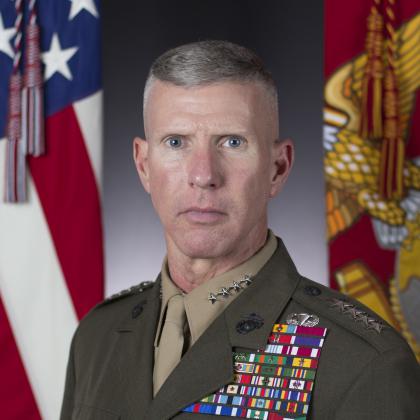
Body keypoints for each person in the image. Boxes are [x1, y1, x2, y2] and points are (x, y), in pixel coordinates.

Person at [60, 40, 420, 420]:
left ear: (277, 168)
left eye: (233, 142)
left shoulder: (362, 364)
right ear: (144, 165)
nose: (204, 175)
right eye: (176, 142)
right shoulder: (97, 338)